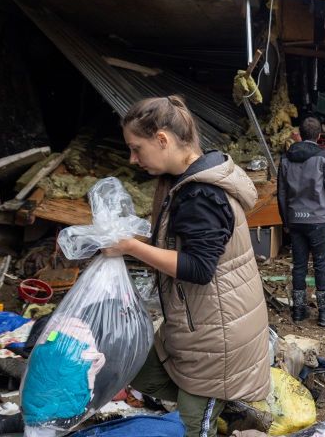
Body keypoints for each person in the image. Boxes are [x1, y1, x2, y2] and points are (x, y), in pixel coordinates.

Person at [104, 95, 271, 437]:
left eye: (136, 148)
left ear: (162, 139)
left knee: (193, 427)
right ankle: (228, 410)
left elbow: (198, 267)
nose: (132, 159)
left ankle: (218, 406)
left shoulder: (201, 196)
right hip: (200, 326)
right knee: (135, 365)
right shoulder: (190, 184)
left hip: (217, 341)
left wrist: (132, 247)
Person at [277, 116, 325, 327]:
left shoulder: (285, 159)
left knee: (298, 265)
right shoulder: (323, 157)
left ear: (299, 133)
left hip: (296, 219)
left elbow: (281, 193)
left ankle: (299, 310)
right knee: (321, 265)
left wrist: (286, 221)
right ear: (318, 136)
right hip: (320, 219)